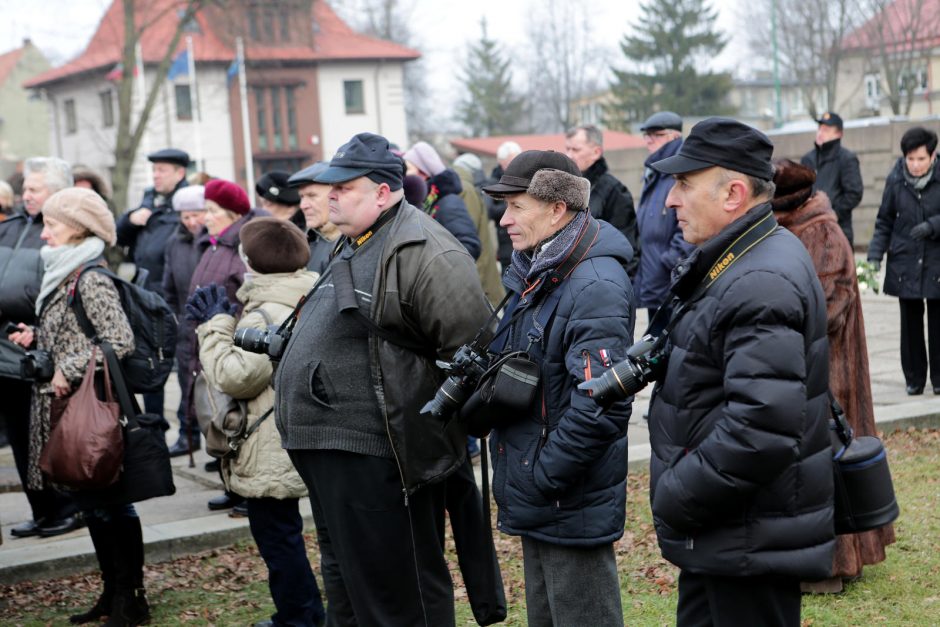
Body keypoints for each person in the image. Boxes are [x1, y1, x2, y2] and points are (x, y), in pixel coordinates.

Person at [274, 132, 491, 625]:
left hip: (382, 452)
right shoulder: (353, 242)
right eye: (329, 186)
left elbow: (473, 351)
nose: (330, 195)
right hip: (333, 448)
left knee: (400, 592)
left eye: (344, 187)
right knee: (350, 588)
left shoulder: (425, 248)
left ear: (383, 191)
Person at [645, 118, 834, 626]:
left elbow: (761, 429)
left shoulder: (759, 277)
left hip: (747, 536)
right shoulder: (742, 259)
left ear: (733, 193)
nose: (670, 200)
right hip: (728, 532)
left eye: (683, 184)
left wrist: (676, 493)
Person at [481, 150, 634, 626]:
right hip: (545, 492)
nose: (504, 219)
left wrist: (545, 474)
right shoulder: (542, 271)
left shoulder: (593, 283)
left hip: (567, 495)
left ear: (557, 209)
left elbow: (604, 403)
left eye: (516, 206)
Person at [7, 188, 145, 626]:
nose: (44, 233)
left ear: (79, 228)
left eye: (52, 224)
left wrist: (65, 363)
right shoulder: (65, 274)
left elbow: (120, 341)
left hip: (93, 411)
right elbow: (79, 332)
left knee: (113, 505)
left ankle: (130, 597)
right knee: (94, 507)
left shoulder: (91, 278)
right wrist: (38, 336)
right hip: (68, 409)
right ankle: (112, 592)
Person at [189, 217, 325, 627]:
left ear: (250, 261)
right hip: (300, 431)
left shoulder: (264, 312)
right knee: (296, 539)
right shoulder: (307, 294)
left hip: (269, 444)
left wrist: (214, 324)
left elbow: (236, 376)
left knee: (277, 540)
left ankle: (299, 617)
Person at [772, 159, 896, 593]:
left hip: (833, 371)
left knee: (834, 464)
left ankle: (836, 565)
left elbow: (826, 308)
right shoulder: (792, 230)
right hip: (813, 368)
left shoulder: (820, 231)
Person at [1, 157, 80, 539]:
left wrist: (38, 329)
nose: (25, 195)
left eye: (34, 189)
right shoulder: (14, 227)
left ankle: (65, 508)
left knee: (48, 434)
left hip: (41, 350)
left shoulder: (64, 233)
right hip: (6, 346)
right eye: (25, 188)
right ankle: (41, 508)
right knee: (20, 436)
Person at [185, 178, 259, 511]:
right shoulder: (211, 245)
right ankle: (231, 484)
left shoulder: (241, 248)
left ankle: (246, 489)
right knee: (214, 417)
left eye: (212, 210)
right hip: (207, 343)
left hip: (229, 346)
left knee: (235, 420)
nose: (206, 216)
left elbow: (245, 300)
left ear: (231, 213)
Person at [116, 147, 189, 423]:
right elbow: (119, 235)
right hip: (146, 291)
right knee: (149, 360)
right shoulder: (149, 198)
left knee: (181, 364)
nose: (156, 175)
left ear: (179, 173)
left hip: (173, 292)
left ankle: (188, 428)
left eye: (162, 170)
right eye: (154, 170)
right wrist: (131, 219)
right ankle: (155, 423)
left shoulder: (186, 202)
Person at [867, 126, 940, 395]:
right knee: (909, 324)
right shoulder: (896, 179)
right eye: (911, 159)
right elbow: (884, 220)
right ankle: (914, 378)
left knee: (937, 321)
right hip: (905, 259)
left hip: (935, 259)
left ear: (932, 156)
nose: (915, 165)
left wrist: (933, 225)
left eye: (921, 159)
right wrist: (874, 256)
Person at [161, 186, 209, 456]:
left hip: (213, 323)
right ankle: (186, 437)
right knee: (185, 383)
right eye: (186, 216)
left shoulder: (214, 242)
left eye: (197, 214)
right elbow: (168, 287)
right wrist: (173, 319)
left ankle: (218, 443)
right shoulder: (174, 243)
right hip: (185, 324)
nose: (192, 222)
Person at [636, 112, 693, 335]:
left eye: (656, 134)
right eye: (646, 135)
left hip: (670, 280)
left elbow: (688, 224)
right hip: (656, 279)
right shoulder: (654, 171)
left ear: (673, 136)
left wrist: (669, 262)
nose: (648, 140)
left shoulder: (679, 170)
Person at [565, 124, 639, 275]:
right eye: (567, 149)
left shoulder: (615, 191)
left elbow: (627, 249)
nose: (569, 155)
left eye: (576, 150)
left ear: (596, 152)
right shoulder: (568, 188)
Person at [403, 141, 482, 259]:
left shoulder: (448, 202)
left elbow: (469, 246)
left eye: (407, 168)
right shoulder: (427, 201)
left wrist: (434, 268)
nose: (403, 174)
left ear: (423, 173)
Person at [800, 112, 863, 247]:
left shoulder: (847, 159)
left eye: (827, 130)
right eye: (820, 128)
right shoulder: (807, 159)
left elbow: (854, 193)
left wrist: (833, 214)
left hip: (838, 230)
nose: (821, 133)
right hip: (810, 231)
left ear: (839, 134)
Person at [453, 152, 505, 308]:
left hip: (478, 269)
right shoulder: (468, 188)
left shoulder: (464, 189)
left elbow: (469, 233)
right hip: (480, 266)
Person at [287, 162, 342, 274]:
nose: (303, 205)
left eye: (312, 196)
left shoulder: (349, 242)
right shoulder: (308, 239)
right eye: (301, 197)